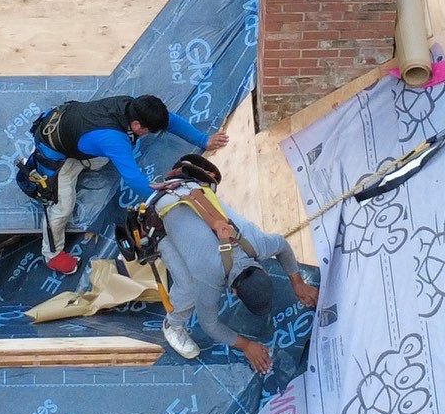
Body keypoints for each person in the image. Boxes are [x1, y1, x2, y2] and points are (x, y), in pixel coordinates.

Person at [141, 155, 316, 374]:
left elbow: (281, 244)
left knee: (198, 248)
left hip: (190, 190)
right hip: (160, 219)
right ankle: (173, 325)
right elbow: (209, 325)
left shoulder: (257, 245)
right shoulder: (210, 278)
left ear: (260, 266)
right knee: (188, 289)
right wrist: (247, 345)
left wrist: (298, 282)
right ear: (232, 291)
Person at [19, 92, 227, 269]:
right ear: (137, 125)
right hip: (52, 149)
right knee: (62, 207)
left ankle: (80, 159)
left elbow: (168, 120)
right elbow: (133, 178)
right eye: (148, 131)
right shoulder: (114, 139)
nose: (149, 134)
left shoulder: (132, 106)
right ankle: (52, 254)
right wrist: (166, 203)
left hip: (71, 127)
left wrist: (203, 140)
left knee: (103, 159)